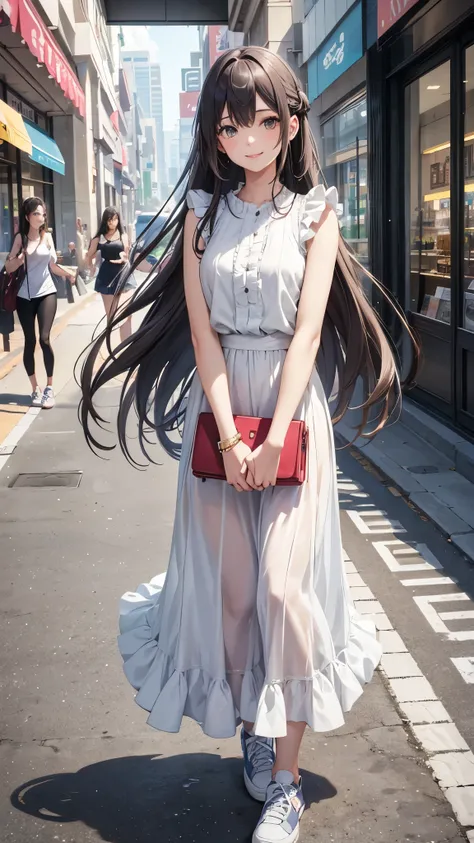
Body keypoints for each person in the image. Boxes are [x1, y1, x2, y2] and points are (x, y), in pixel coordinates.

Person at [80, 48, 418, 843]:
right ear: (217, 133)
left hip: (293, 417)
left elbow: (306, 333)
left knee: (278, 590)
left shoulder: (316, 213)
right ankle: (256, 732)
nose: (254, 136)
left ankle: (288, 783)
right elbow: (202, 334)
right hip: (223, 410)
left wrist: (279, 435)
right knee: (234, 600)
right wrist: (233, 436)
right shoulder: (203, 213)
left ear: (292, 123)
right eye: (237, 123)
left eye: (269, 120)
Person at [6, 197, 76, 409]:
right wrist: (19, 259)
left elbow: (52, 266)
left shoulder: (48, 238)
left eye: (43, 213)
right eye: (37, 213)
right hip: (25, 297)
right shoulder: (20, 238)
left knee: (44, 339)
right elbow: (8, 267)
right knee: (30, 341)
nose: (42, 216)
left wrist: (68, 274)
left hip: (46, 292)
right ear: (28, 217)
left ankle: (49, 388)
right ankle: (34, 388)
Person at [86, 207, 136, 342]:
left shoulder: (123, 235)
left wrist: (123, 258)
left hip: (124, 273)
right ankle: (112, 350)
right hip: (107, 275)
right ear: (105, 221)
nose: (112, 222)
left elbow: (126, 254)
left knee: (126, 314)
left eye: (115, 219)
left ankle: (127, 348)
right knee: (111, 316)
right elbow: (88, 255)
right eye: (109, 220)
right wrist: (90, 268)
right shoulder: (99, 238)